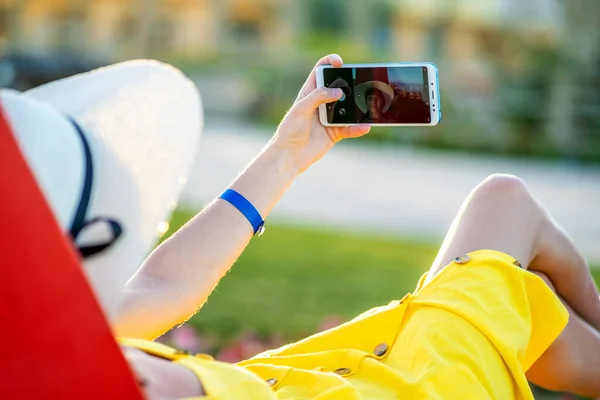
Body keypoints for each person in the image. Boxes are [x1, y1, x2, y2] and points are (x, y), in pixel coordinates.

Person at [3, 54, 600, 399]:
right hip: (392, 392)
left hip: (329, 375)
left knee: (520, 300)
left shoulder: (42, 339)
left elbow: (163, 290)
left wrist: (288, 151)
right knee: (506, 204)